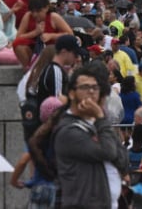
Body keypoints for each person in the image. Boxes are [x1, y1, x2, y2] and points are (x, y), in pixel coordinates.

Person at [52, 63, 128, 209]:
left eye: (95, 87)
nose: (91, 92)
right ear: (72, 93)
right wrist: (101, 117)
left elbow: (123, 159)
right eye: (85, 87)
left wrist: (100, 120)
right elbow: (108, 151)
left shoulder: (96, 124)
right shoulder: (68, 130)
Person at [12, 0, 73, 68]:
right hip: (33, 50)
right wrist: (35, 33)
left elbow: (70, 34)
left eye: (38, 11)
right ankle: (29, 69)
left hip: (52, 50)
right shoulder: (28, 16)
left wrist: (51, 36)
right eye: (33, 11)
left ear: (46, 8)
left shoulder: (54, 17)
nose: (35, 14)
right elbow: (18, 37)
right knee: (18, 44)